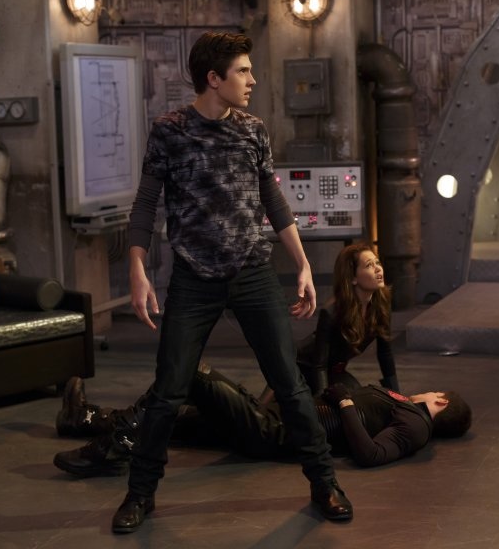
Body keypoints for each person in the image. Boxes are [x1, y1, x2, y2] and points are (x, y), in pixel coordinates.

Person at [113, 30, 351, 534]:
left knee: (290, 386)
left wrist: (303, 264)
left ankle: (324, 483)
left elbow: (273, 200)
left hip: (253, 272)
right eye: (242, 71)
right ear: (213, 78)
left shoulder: (253, 130)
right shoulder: (170, 131)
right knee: (168, 393)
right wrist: (137, 269)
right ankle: (140, 493)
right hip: (192, 278)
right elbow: (146, 205)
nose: (252, 79)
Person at [52, 368, 472, 475]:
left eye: (433, 391)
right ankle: (84, 419)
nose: (426, 391)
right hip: (272, 417)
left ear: (440, 401)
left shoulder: (417, 425)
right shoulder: (403, 406)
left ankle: (111, 449)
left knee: (193, 373)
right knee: (176, 419)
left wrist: (345, 402)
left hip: (275, 434)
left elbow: (371, 454)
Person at [296, 242, 400, 395]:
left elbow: (385, 353)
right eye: (369, 265)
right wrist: (325, 400)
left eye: (377, 262)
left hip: (334, 370)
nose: (378, 268)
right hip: (302, 366)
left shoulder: (381, 305)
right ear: (353, 278)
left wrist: (397, 397)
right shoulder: (331, 311)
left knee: (357, 397)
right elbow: (319, 365)